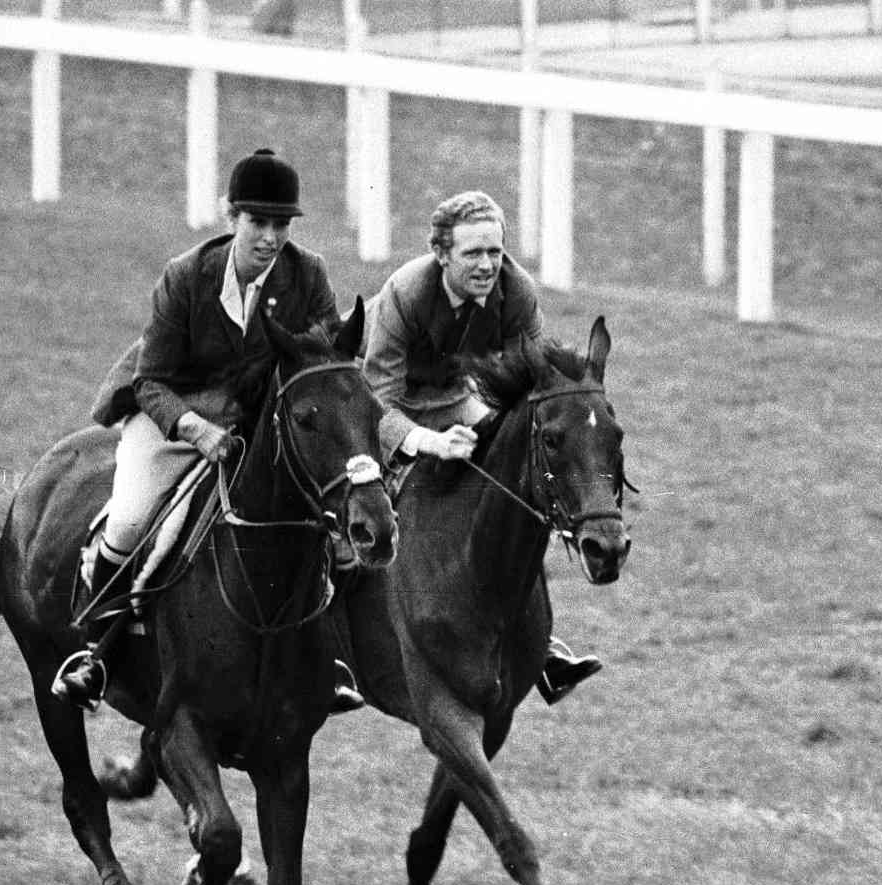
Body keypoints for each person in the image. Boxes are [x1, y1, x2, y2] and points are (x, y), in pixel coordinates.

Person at [55, 148, 363, 712]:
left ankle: (331, 659)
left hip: (257, 421)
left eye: (281, 225)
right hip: (174, 411)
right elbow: (151, 382)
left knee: (328, 518)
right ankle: (97, 652)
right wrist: (196, 429)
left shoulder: (308, 274)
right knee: (129, 520)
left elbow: (323, 357)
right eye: (258, 223)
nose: (270, 238)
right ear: (231, 217)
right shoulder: (186, 276)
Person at [363, 189, 602, 705]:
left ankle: (541, 649)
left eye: (495, 251)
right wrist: (427, 444)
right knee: (357, 496)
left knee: (519, 485)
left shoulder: (516, 290)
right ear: (441, 254)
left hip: (456, 399)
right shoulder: (406, 291)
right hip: (381, 401)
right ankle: (332, 641)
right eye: (473, 253)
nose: (488, 265)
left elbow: (537, 384)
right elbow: (375, 404)